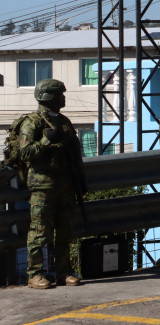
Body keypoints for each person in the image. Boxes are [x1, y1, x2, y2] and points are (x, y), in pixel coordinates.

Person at [19, 79, 85, 289]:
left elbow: (75, 154)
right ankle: (35, 274)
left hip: (65, 185)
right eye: (59, 94)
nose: (63, 98)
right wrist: (46, 141)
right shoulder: (33, 122)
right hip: (42, 186)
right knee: (40, 231)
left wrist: (79, 180)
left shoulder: (64, 121)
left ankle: (63, 272)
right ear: (50, 97)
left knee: (65, 231)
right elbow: (26, 152)